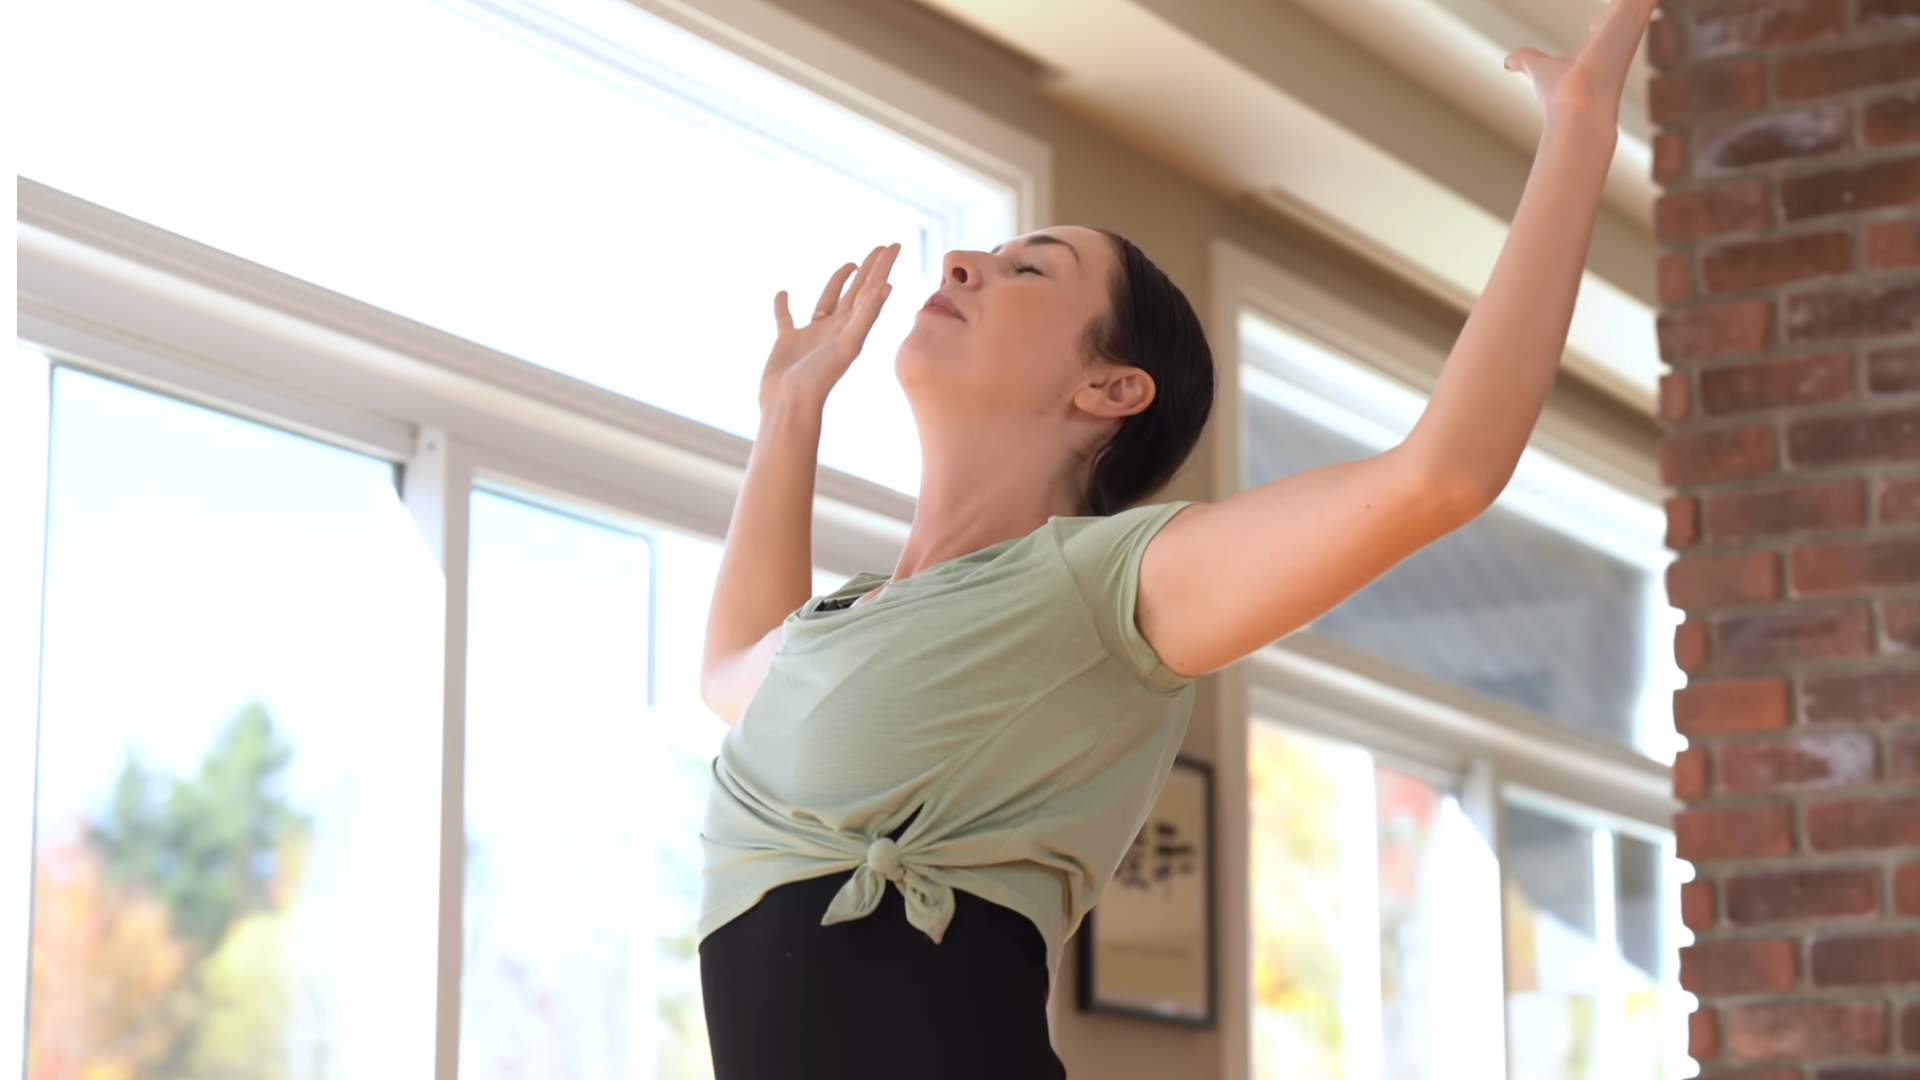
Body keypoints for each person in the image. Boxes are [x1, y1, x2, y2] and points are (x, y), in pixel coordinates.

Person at [696, 0, 1656, 1074]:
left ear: (1111, 387)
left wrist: (1578, 127)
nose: (962, 260)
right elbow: (733, 668)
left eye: (1027, 269)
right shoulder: (840, 624)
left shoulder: (1103, 584)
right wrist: (789, 416)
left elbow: (1443, 475)